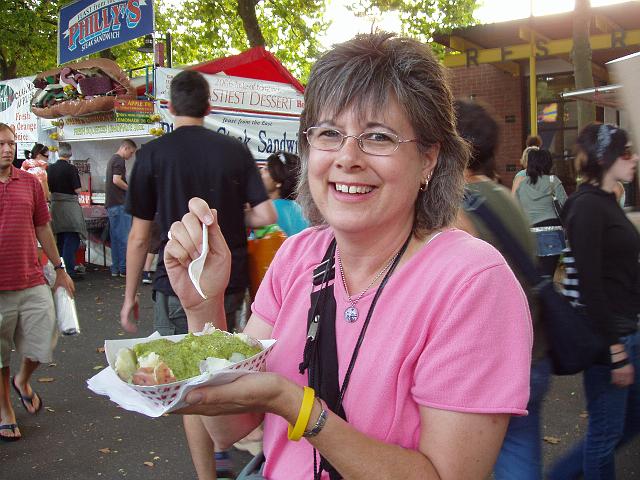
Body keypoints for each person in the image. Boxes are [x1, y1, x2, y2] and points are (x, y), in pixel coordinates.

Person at [163, 34, 532, 480]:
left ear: (429, 158)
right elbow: (228, 428)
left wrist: (295, 406)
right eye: (330, 133)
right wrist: (204, 305)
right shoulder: (296, 257)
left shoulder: (471, 282)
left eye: (378, 136)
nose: (347, 158)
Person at [120, 69, 276, 480]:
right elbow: (265, 214)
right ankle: (224, 440)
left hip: (175, 282)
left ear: (171, 106)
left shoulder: (152, 155)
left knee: (188, 383)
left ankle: (208, 472)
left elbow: (138, 237)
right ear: (209, 107)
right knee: (219, 362)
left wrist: (129, 294)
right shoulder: (234, 150)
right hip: (231, 278)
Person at [455, 100, 550, 480]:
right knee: (520, 461)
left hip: (492, 369)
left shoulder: (454, 209)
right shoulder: (504, 197)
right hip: (534, 359)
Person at [547, 123, 640, 480]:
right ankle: (560, 474)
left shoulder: (607, 200)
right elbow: (589, 283)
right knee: (605, 434)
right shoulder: (586, 206)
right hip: (609, 340)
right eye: (627, 152)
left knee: (625, 425)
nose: (633, 160)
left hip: (626, 331)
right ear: (607, 158)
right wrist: (615, 350)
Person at [0, 123, 74, 441]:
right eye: (1, 143)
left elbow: (43, 227)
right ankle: (5, 410)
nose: (7, 148)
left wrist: (60, 269)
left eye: (11, 143)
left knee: (43, 342)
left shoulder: (29, 183)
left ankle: (23, 380)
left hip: (31, 279)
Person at [514, 148, 568, 277]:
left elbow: (517, 209)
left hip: (530, 237)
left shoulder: (521, 185)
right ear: (548, 163)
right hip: (552, 235)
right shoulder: (553, 181)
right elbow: (566, 205)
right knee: (548, 278)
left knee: (535, 280)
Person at [47, 142, 87, 280]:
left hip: (55, 206)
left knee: (60, 239)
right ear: (70, 153)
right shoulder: (71, 169)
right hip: (69, 207)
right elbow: (77, 190)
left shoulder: (50, 168)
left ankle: (59, 270)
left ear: (58, 153)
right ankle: (69, 270)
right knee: (72, 238)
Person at [105, 139, 137, 277]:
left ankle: (116, 268)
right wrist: (130, 190)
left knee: (116, 238)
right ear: (125, 148)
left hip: (111, 204)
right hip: (120, 203)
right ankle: (124, 269)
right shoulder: (119, 160)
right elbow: (116, 179)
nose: (131, 156)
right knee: (125, 238)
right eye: (131, 152)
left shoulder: (111, 159)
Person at [260, 151, 309, 236]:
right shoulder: (300, 210)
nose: (261, 171)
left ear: (278, 181)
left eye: (266, 169)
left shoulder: (267, 212)